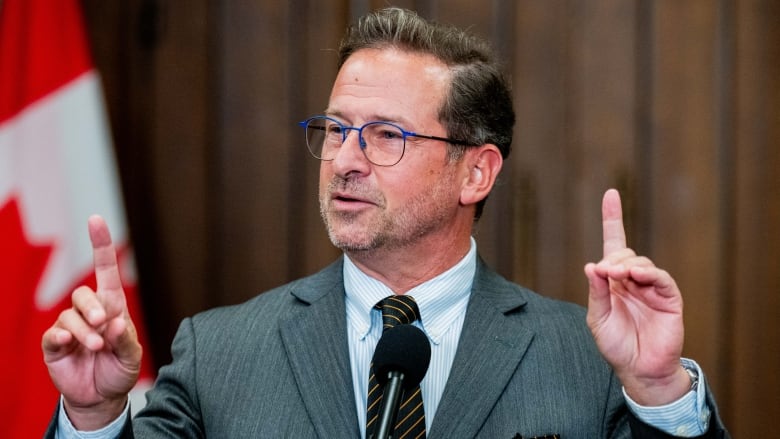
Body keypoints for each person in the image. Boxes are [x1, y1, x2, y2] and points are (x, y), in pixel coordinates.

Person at [42, 7, 730, 439]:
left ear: (476, 172)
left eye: (385, 135)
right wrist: (96, 419)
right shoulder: (220, 354)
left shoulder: (588, 362)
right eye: (335, 129)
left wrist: (659, 393)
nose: (345, 158)